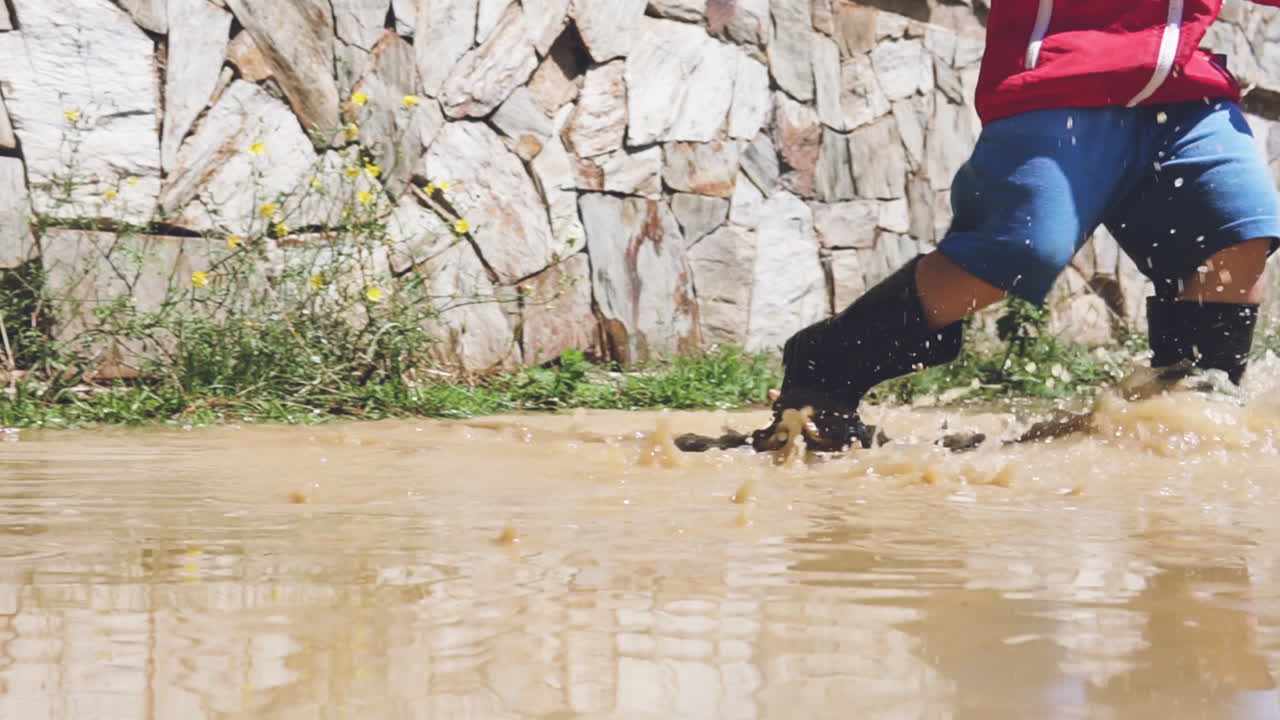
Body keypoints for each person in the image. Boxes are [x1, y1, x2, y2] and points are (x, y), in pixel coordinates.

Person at [753, 0, 1280, 453]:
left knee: (1237, 229)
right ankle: (830, 360)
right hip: (1060, 76)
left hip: (1186, 90)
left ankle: (1185, 421)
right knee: (1020, 248)